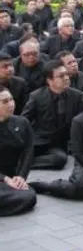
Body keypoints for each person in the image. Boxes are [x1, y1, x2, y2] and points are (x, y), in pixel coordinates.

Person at [21, 60, 83, 170]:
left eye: (66, 74)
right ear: (49, 80)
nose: (66, 78)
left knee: (59, 159)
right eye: (61, 76)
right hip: (38, 140)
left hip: (56, 144)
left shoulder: (77, 96)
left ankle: (24, 164)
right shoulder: (37, 96)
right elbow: (24, 120)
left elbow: (82, 122)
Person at [0, 87, 37, 216]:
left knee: (29, 197)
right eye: (5, 102)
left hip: (12, 176)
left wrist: (21, 176)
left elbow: (28, 152)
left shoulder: (22, 122)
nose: (11, 104)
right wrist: (4, 178)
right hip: (2, 178)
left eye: (11, 100)